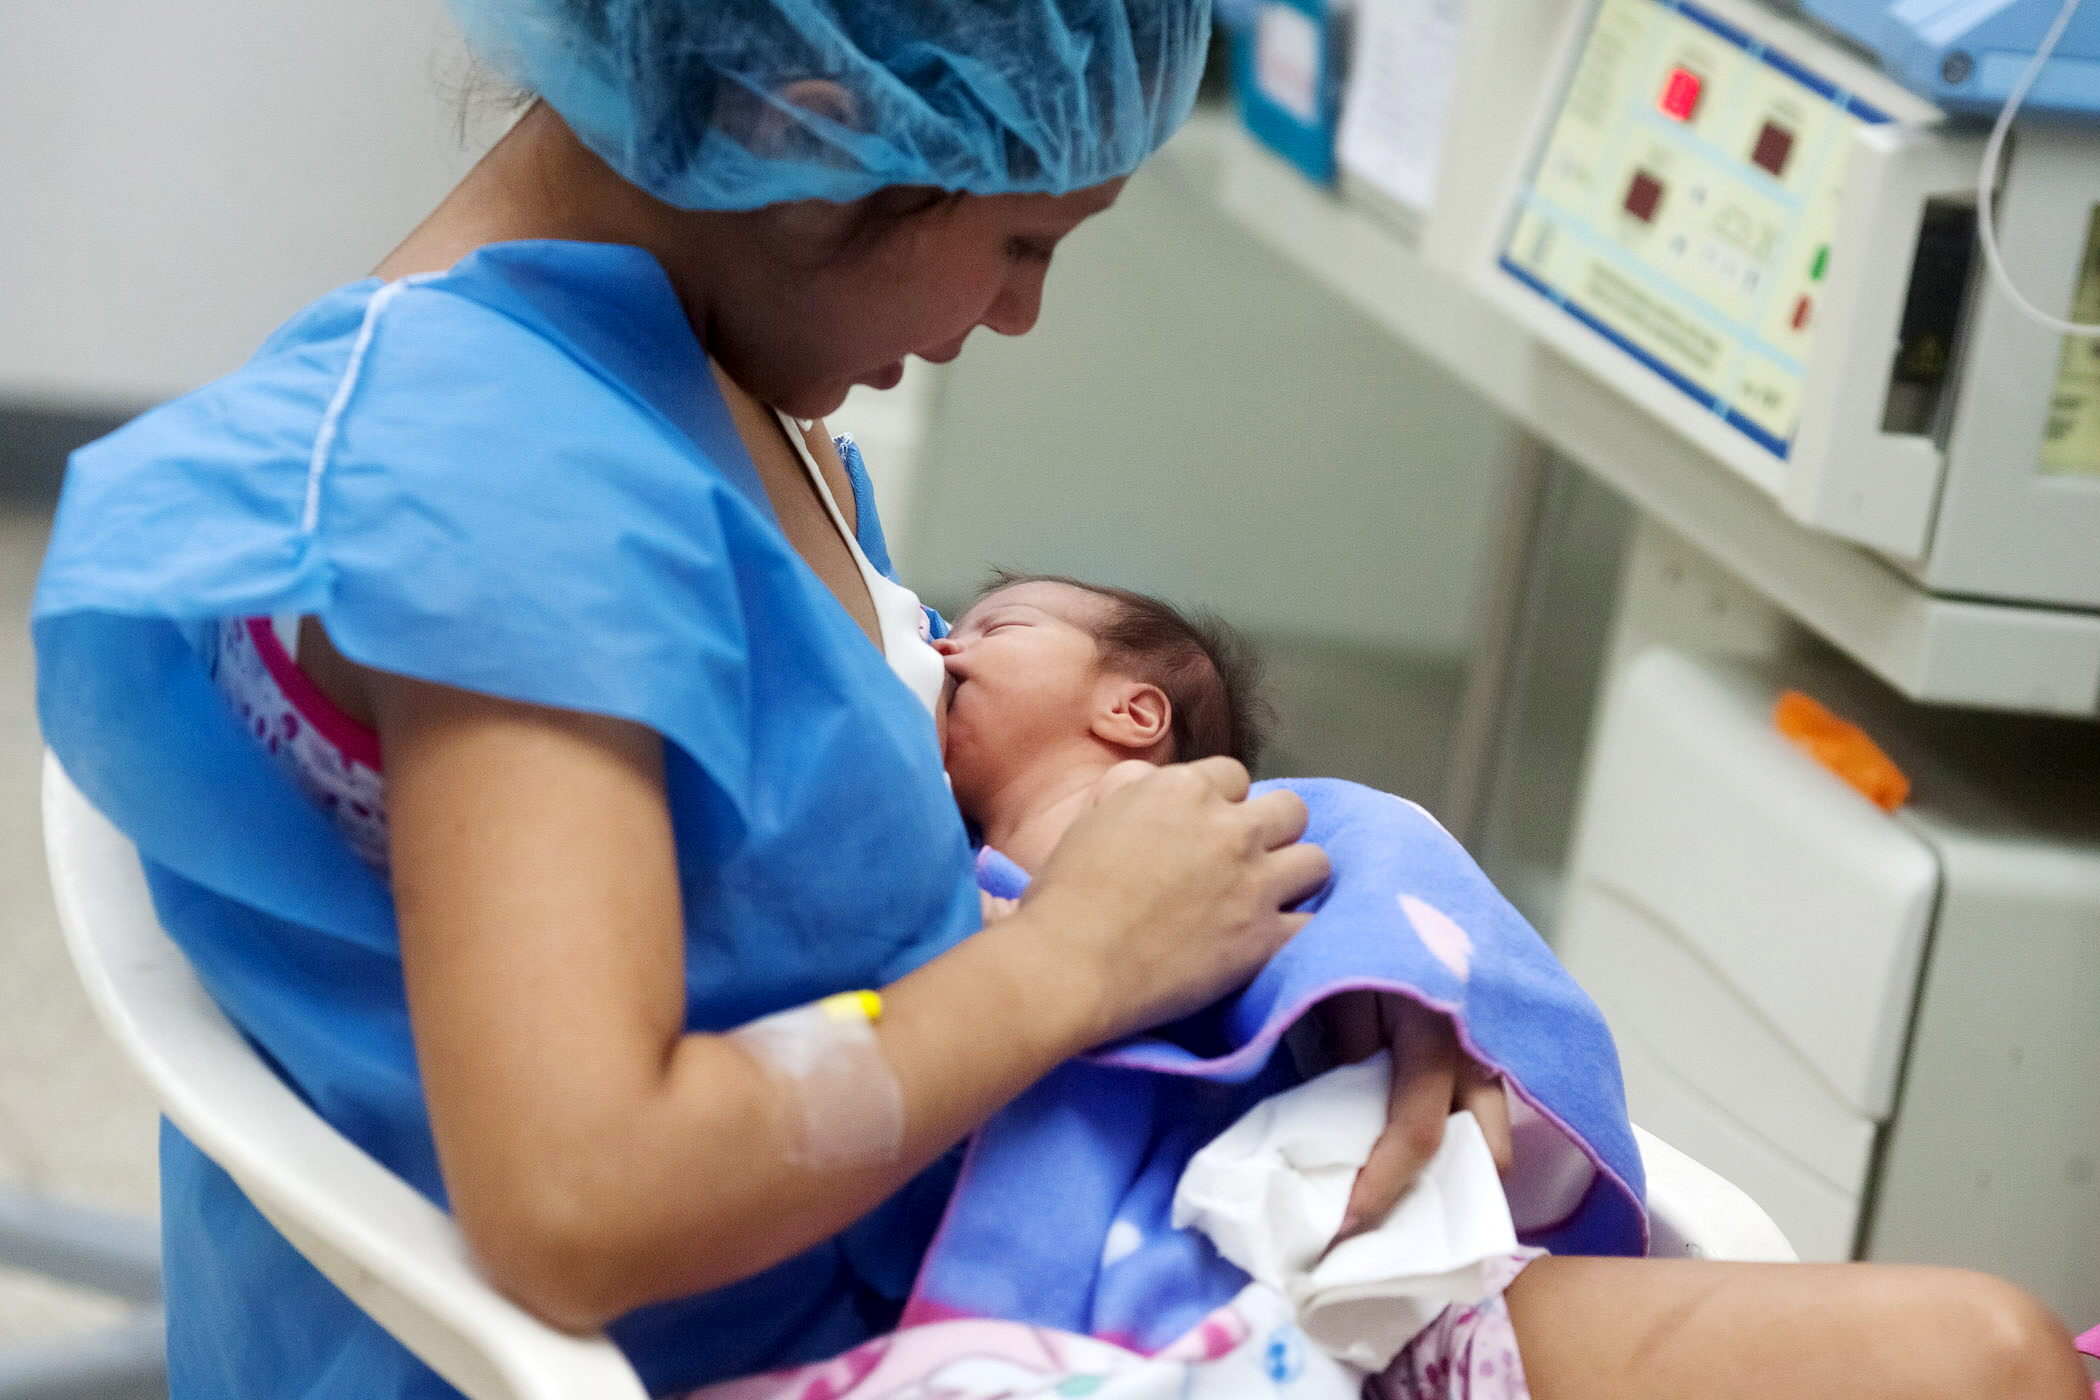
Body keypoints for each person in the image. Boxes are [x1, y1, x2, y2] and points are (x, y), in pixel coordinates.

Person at [28, 2, 2083, 1397]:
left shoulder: (687, 373)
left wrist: (1329, 1004)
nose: (1016, 312)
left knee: (1983, 1347)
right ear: (823, 126)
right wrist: (1087, 965)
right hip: (881, 1327)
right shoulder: (499, 497)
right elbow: (582, 1205)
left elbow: (853, 881)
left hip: (1073, 1224)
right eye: (1021, 239)